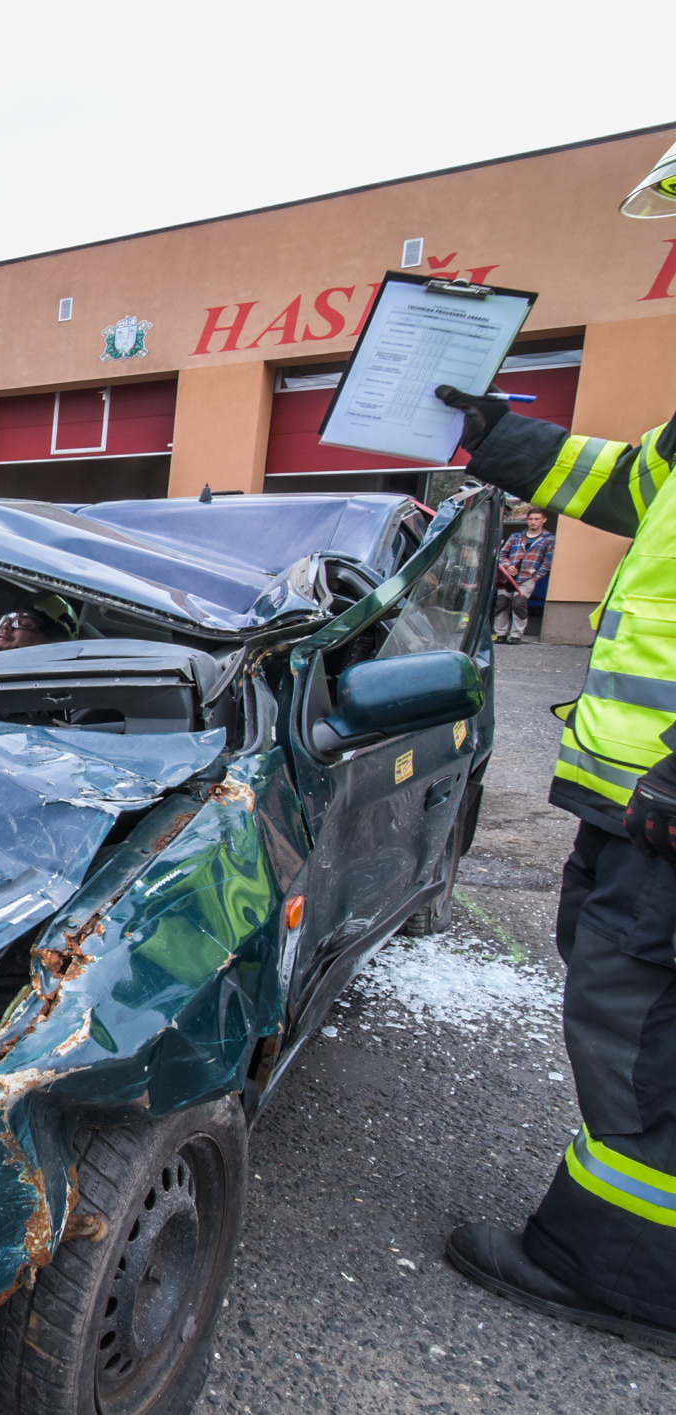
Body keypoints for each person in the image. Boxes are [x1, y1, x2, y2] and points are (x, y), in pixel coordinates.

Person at [429, 136, 676, 1359]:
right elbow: (627, 482)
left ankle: (615, 1267)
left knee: (635, 1024)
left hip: (662, 803)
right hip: (635, 793)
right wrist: (498, 436)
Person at [493, 507, 554, 644]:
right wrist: (508, 566)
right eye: (530, 519)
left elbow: (548, 562)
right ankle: (501, 633)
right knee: (502, 603)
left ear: (544, 520)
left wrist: (535, 577)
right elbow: (502, 554)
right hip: (507, 577)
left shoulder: (548, 539)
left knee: (519, 605)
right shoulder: (516, 536)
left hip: (527, 578)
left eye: (537, 519)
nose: (533, 522)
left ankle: (516, 635)